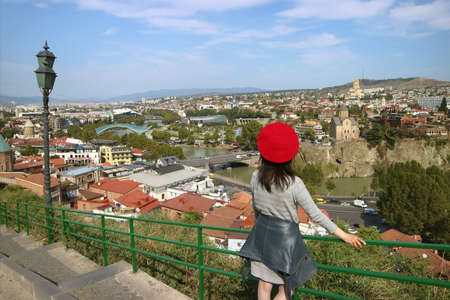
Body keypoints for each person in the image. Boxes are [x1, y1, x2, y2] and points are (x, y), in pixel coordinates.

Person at [239, 123, 366, 300]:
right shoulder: (293, 183)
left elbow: (256, 208)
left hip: (261, 236)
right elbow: (315, 214)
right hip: (285, 241)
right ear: (289, 156)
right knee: (288, 286)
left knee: (264, 284)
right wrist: (344, 235)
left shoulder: (255, 177)